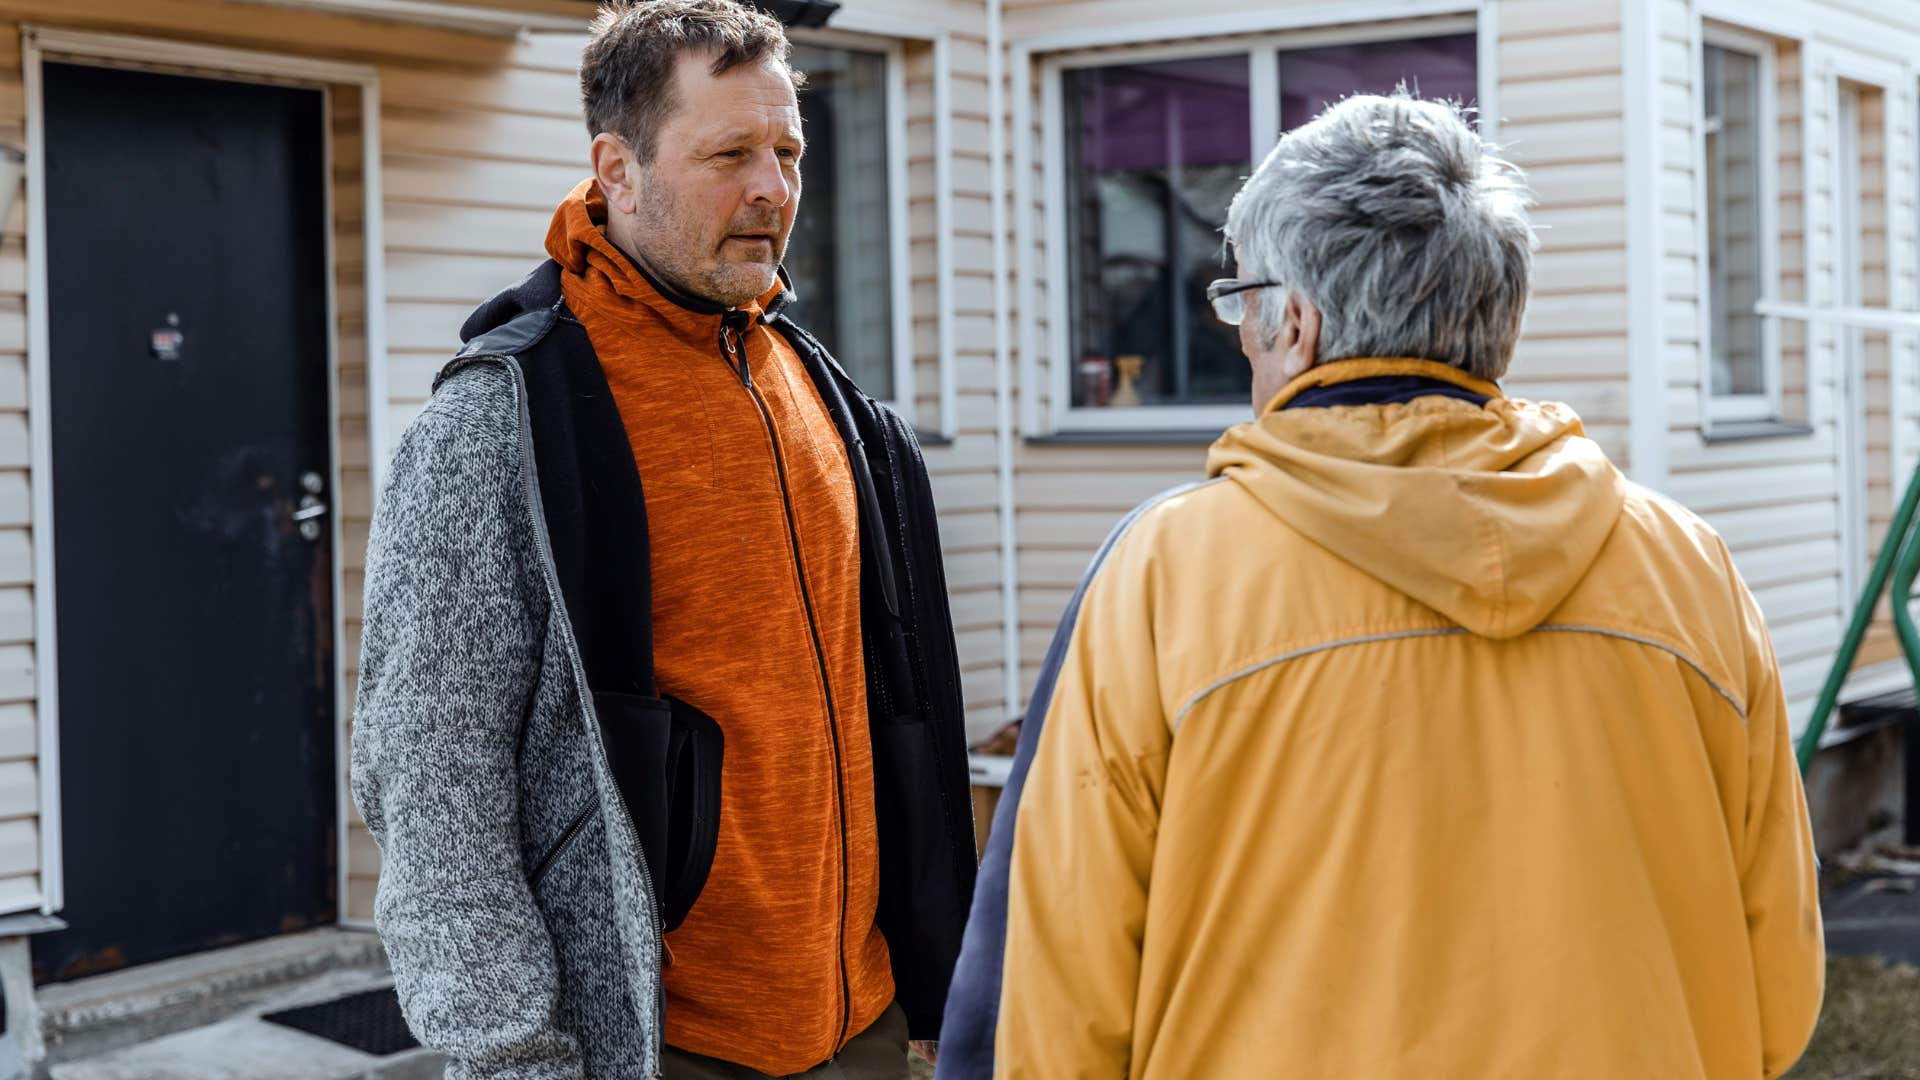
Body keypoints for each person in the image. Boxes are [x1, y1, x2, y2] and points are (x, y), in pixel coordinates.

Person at [939, 92, 1824, 1079]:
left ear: (1298, 324)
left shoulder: (1160, 578)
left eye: (1239, 302)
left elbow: (1051, 1003)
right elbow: (1778, 989)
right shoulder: (1690, 570)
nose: (1240, 337)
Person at [350, 2, 976, 1077]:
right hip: (658, 1047)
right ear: (618, 168)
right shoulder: (498, 426)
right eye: (728, 154)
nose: (772, 191)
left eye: (787, 152)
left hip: (861, 1026)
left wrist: (933, 979)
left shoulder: (826, 398)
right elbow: (432, 792)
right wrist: (515, 1058)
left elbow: (898, 711)